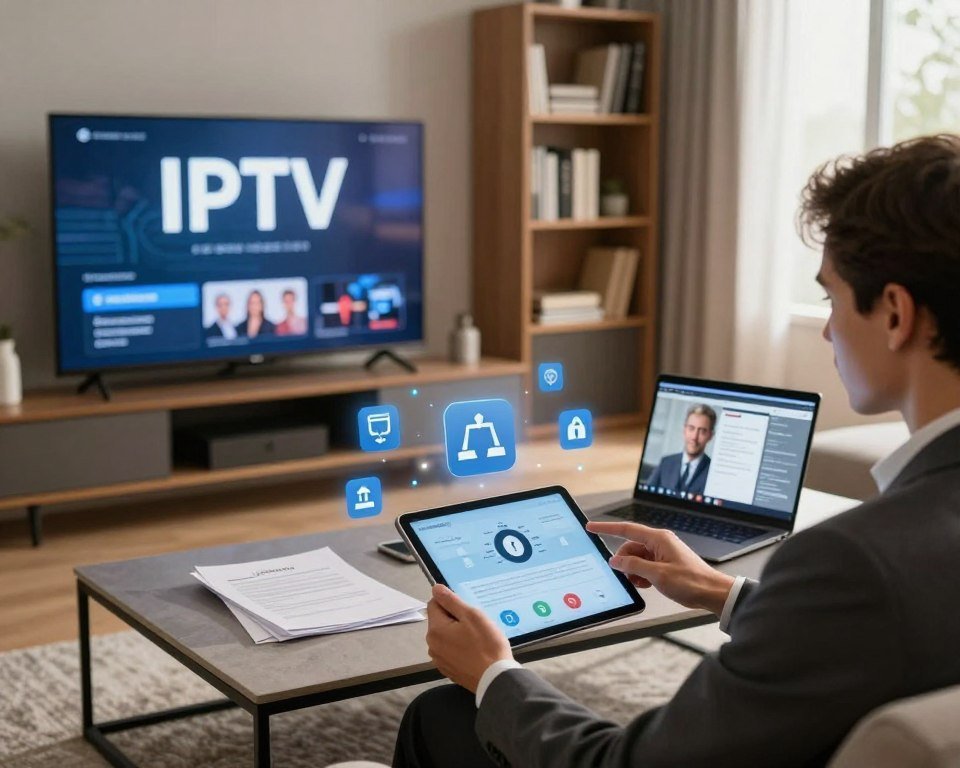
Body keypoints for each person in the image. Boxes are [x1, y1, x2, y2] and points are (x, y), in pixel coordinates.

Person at [393, 135, 960, 768]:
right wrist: (726, 593)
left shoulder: (851, 562)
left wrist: (495, 671)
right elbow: (887, 639)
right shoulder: (884, 563)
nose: (827, 328)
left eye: (830, 297)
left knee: (442, 712)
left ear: (894, 313)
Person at [646, 404, 716, 496]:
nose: (694, 437)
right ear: (684, 430)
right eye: (691, 428)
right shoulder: (666, 462)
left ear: (710, 436)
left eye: (702, 431)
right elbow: (647, 494)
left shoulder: (713, 472)